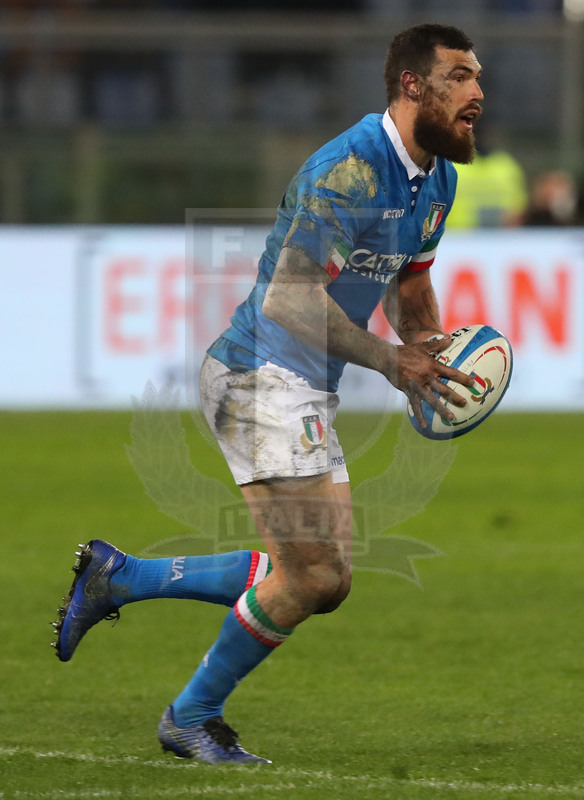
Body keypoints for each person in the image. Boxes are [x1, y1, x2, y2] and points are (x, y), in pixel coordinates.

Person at [52, 23, 482, 765]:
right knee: (313, 575)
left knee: (326, 580)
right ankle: (191, 716)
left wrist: (429, 358)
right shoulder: (348, 170)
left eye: (480, 78)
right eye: (461, 77)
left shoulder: (437, 177)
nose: (478, 93)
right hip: (258, 376)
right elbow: (288, 299)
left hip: (302, 384)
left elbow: (412, 278)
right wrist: (388, 361)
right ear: (413, 85)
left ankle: (121, 576)